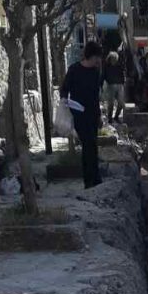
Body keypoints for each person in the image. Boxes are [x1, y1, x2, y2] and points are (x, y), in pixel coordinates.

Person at [60, 41, 104, 188]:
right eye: (97, 57)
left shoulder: (95, 72)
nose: (98, 60)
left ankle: (94, 178)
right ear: (92, 56)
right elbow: (64, 89)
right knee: (88, 145)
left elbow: (96, 96)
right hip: (78, 113)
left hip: (92, 114)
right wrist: (64, 101)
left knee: (93, 145)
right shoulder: (74, 70)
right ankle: (89, 179)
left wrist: (99, 115)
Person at [102, 51, 126, 124]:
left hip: (119, 85)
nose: (115, 60)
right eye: (113, 58)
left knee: (121, 103)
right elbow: (103, 76)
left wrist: (123, 82)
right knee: (111, 104)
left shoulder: (119, 66)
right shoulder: (106, 66)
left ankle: (116, 117)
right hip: (110, 85)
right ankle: (110, 118)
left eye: (116, 59)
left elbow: (122, 74)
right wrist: (101, 85)